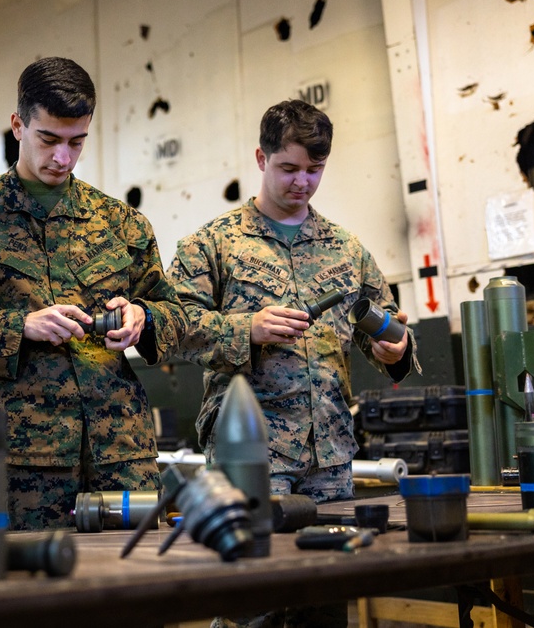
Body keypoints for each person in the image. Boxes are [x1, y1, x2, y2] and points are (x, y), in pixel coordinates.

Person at [168, 99, 418, 628]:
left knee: (323, 601)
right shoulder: (213, 245)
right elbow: (171, 331)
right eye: (289, 168)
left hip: (329, 458)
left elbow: (389, 327)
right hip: (251, 458)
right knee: (249, 601)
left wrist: (397, 350)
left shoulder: (346, 250)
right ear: (261, 158)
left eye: (314, 170)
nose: (302, 182)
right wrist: (246, 328)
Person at [0, 56, 186, 531]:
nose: (63, 158)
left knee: (132, 593)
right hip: (23, 460)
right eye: (49, 140)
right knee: (32, 592)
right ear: (18, 125)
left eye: (77, 142)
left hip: (121, 452)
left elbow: (175, 313)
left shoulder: (121, 223)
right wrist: (19, 327)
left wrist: (144, 317)